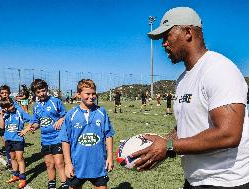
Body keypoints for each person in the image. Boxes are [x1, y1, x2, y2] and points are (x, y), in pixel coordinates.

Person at [132, 7, 249, 188]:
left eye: (167, 36)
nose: (163, 44)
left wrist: (169, 146)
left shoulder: (219, 69)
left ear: (188, 32)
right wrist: (160, 145)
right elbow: (186, 125)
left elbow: (229, 134)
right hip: (195, 180)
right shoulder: (182, 79)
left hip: (225, 181)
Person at [60, 79, 115, 189]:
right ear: (79, 94)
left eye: (93, 93)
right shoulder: (71, 114)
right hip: (77, 164)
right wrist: (68, 164)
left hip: (98, 163)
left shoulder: (101, 112)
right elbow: (65, 140)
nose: (91, 96)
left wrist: (109, 157)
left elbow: (108, 135)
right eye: (87, 93)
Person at [29, 79, 68, 189]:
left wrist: (61, 119)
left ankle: (64, 184)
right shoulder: (36, 106)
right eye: (38, 92)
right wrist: (34, 127)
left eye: (43, 90)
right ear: (35, 93)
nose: (42, 93)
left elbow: (65, 116)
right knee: (49, 164)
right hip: (45, 139)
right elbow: (37, 122)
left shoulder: (55, 101)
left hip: (57, 138)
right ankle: (51, 185)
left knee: (59, 163)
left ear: (47, 89)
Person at [0, 97, 32, 188]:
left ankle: (22, 178)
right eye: (9, 106)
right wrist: (1, 116)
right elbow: (2, 127)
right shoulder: (5, 114)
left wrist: (25, 130)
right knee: (12, 158)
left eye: (12, 104)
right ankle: (15, 175)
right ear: (5, 108)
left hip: (18, 140)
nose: (12, 107)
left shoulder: (19, 112)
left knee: (20, 158)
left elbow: (32, 120)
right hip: (8, 140)